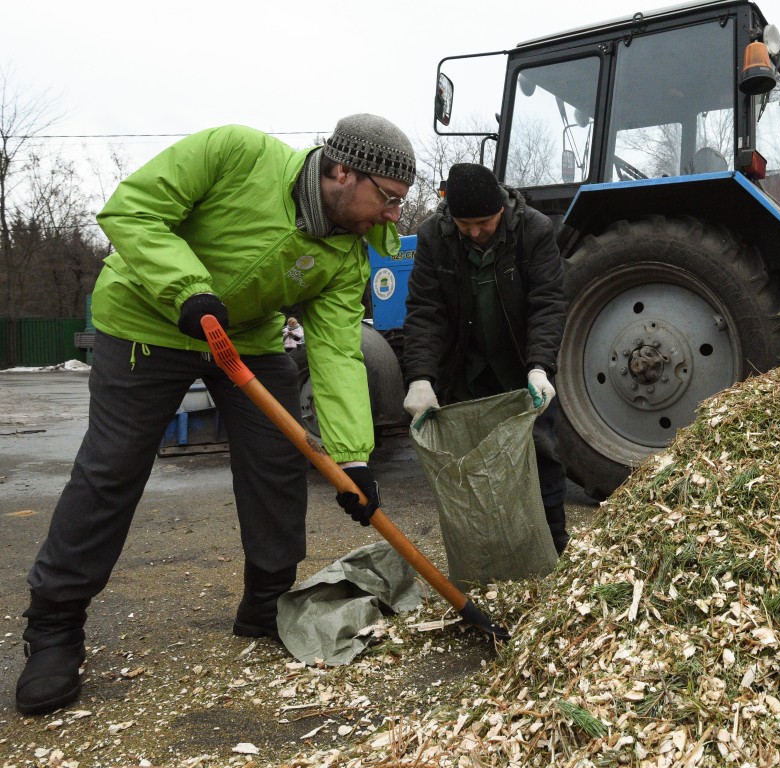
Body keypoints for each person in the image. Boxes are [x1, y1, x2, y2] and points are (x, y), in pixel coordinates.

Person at [15, 114, 416, 716]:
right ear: (342, 171)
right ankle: (53, 627)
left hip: (245, 338)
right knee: (112, 470)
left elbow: (335, 352)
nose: (393, 216)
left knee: (277, 461)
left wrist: (353, 457)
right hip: (146, 321)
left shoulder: (345, 252)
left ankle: (267, 602)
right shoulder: (237, 153)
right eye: (387, 199)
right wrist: (186, 287)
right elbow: (132, 211)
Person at [401, 163, 569, 555]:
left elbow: (547, 303)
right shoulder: (433, 237)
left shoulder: (535, 230)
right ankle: (488, 554)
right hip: (465, 370)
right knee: (471, 465)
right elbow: (425, 311)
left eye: (483, 223)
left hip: (521, 368)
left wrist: (540, 365)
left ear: (501, 211)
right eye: (465, 225)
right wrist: (421, 377)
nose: (474, 232)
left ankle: (554, 545)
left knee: (539, 449)